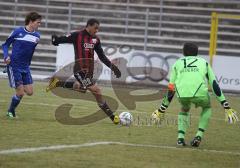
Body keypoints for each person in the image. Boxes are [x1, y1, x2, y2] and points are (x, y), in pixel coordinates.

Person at [153, 43, 238, 147]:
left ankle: (180, 138)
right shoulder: (203, 62)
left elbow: (171, 89)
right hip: (200, 93)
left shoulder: (177, 63)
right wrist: (226, 106)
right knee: (207, 107)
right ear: (197, 53)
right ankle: (199, 135)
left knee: (184, 109)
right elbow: (214, 84)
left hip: (182, 94)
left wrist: (161, 110)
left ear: (183, 52)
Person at [46, 18, 121, 124]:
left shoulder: (96, 40)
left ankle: (57, 83)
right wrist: (56, 40)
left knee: (82, 89)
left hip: (89, 72)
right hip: (79, 70)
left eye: (98, 29)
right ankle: (113, 118)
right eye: (95, 28)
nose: (97, 30)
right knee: (97, 90)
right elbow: (64, 39)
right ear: (89, 26)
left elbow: (102, 56)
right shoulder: (77, 35)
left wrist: (113, 68)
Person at [1, 12, 42, 118]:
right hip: (14, 66)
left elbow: (30, 52)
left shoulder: (37, 36)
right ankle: (10, 112)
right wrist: (6, 56)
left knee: (30, 92)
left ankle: (17, 94)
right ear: (31, 22)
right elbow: (5, 45)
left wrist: (28, 63)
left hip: (25, 67)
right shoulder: (18, 31)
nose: (39, 25)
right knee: (20, 93)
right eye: (38, 22)